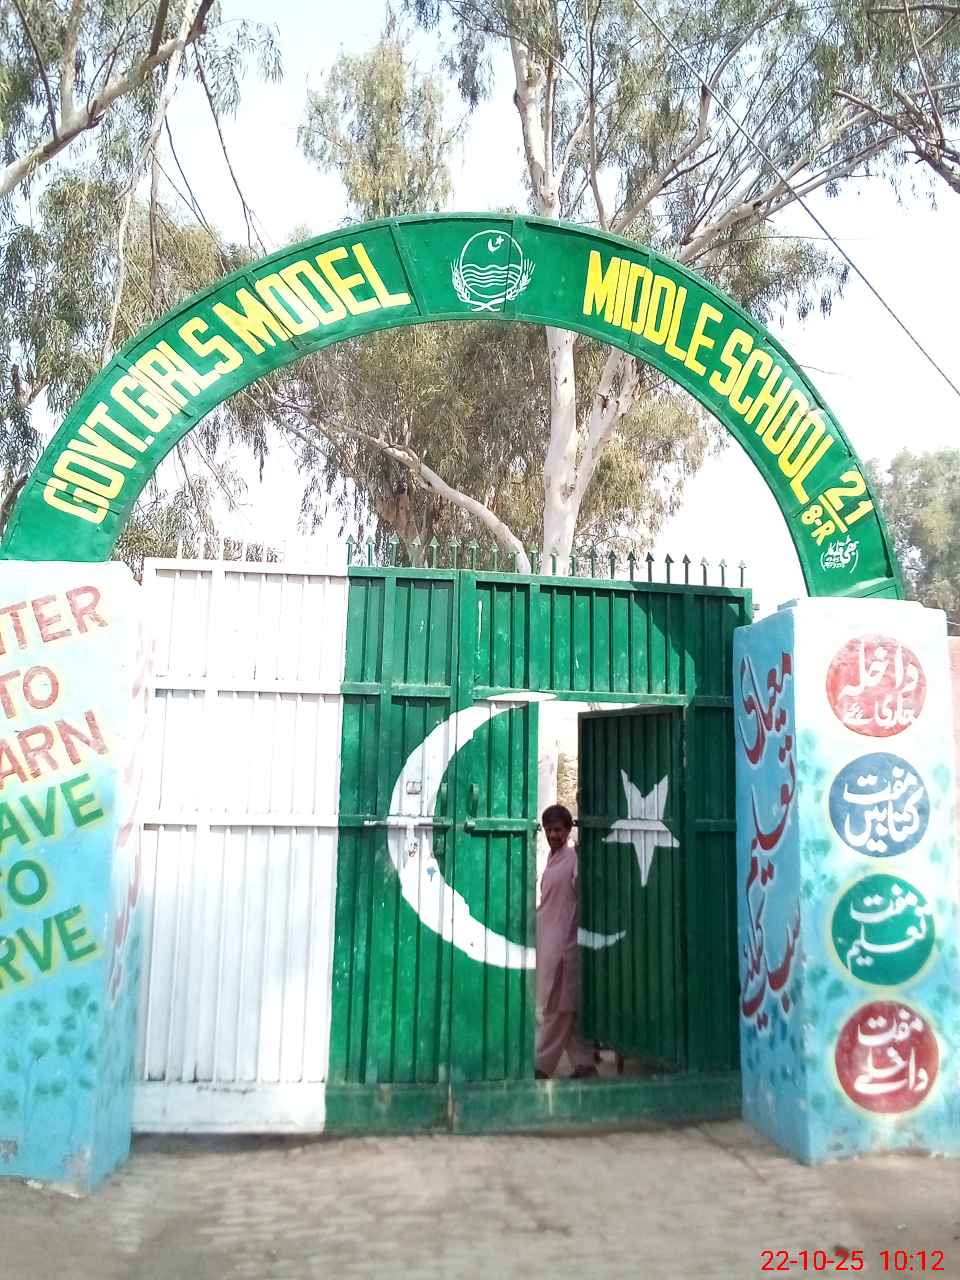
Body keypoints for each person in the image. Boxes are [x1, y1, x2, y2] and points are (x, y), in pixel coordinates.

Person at [535, 804, 597, 1080]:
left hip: (565, 948)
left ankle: (541, 1065)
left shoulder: (573, 859)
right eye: (549, 830)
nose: (553, 835)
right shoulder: (553, 858)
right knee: (565, 1010)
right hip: (550, 946)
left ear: (569, 830)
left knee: (557, 1011)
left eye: (558, 830)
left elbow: (585, 891)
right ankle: (584, 1065)